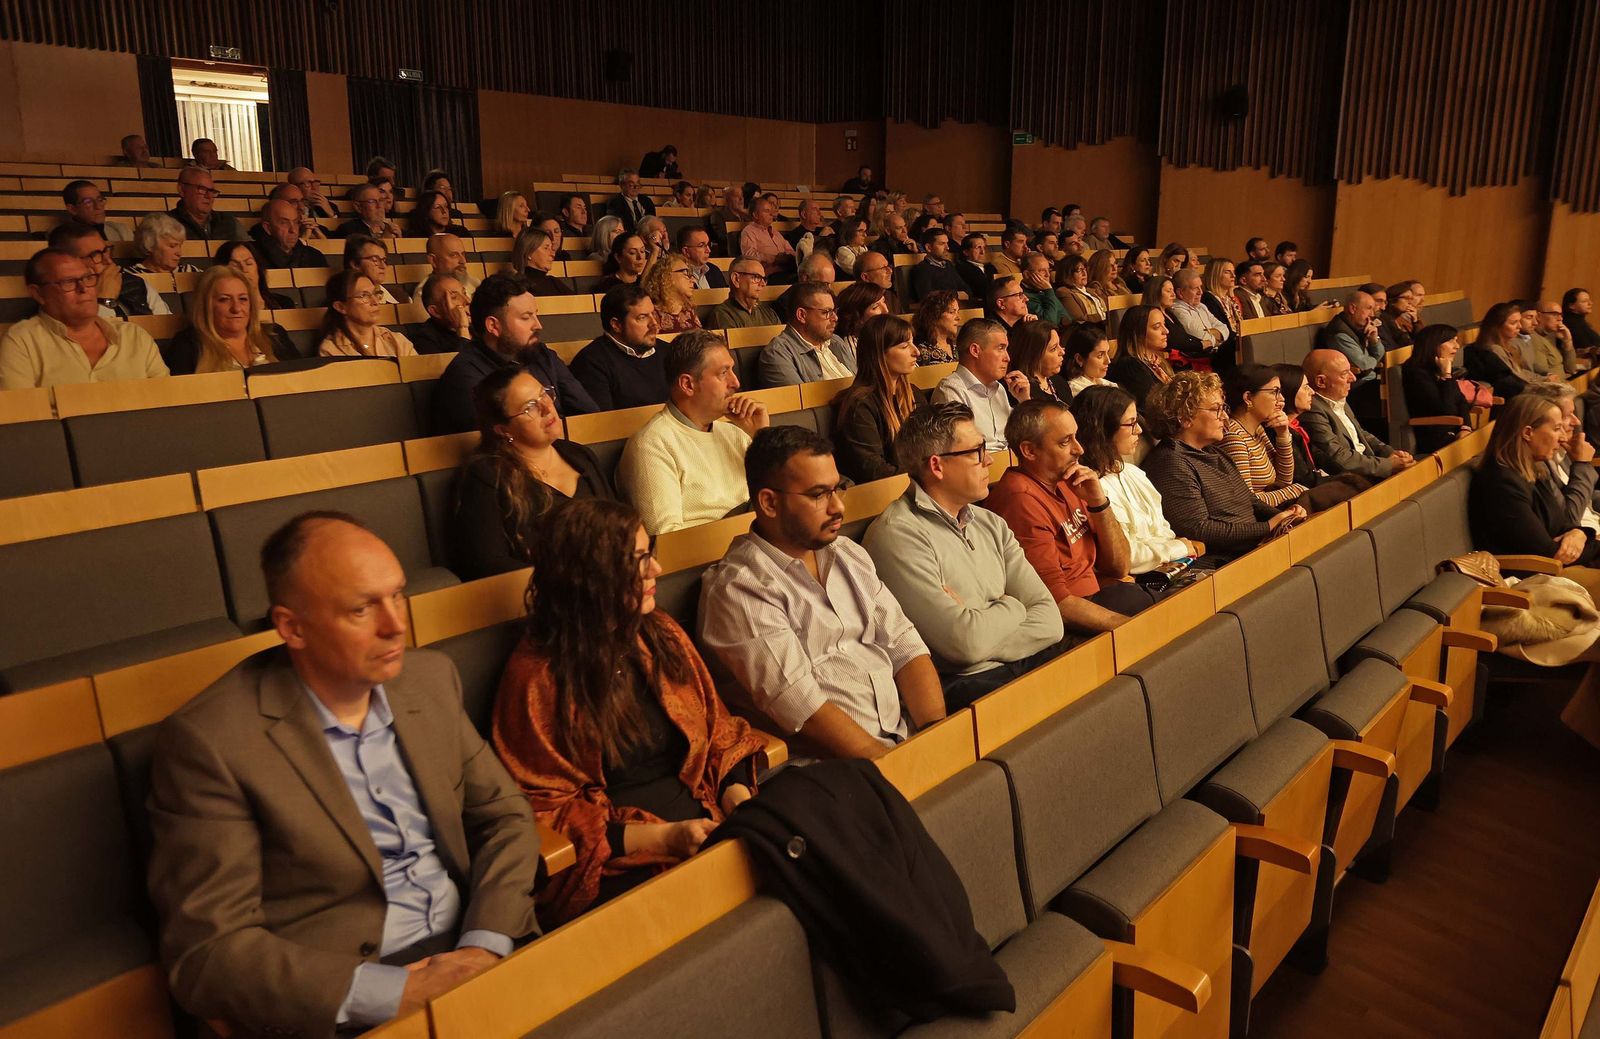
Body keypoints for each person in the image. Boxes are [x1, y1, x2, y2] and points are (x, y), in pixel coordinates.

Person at [146, 513, 540, 1037]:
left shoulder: (428, 680)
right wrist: (395, 993)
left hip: (480, 944)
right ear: (292, 627)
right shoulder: (211, 743)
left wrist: (483, 943)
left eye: (397, 596)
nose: (395, 624)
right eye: (361, 608)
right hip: (348, 997)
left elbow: (505, 818)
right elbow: (210, 953)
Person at [698, 423, 946, 760]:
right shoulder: (740, 588)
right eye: (818, 495)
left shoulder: (847, 553)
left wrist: (939, 738)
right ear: (769, 503)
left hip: (904, 740)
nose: (838, 507)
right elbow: (802, 706)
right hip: (832, 769)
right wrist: (895, 768)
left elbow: (905, 648)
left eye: (837, 488)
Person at [863, 401, 1064, 708]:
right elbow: (964, 645)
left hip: (1023, 662)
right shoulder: (897, 535)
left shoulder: (990, 523)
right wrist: (1013, 605)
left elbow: (1050, 620)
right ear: (937, 465)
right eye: (977, 452)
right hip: (969, 686)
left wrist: (982, 623)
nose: (990, 462)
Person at [987, 398, 1155, 636]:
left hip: (1101, 598)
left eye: (1076, 437)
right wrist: (1137, 630)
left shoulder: (1069, 480)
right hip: (1073, 625)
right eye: (1065, 442)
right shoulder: (1020, 500)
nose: (1080, 449)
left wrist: (1099, 503)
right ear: (1029, 451)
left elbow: (1119, 566)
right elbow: (1056, 604)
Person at [448, 367, 615, 579]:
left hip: (612, 580)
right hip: (547, 593)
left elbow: (618, 522)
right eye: (530, 407)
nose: (547, 407)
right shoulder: (485, 477)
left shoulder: (580, 455)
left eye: (544, 394)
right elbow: (488, 564)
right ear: (502, 429)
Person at [617, 330, 769, 534]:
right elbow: (667, 541)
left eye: (732, 371)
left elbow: (780, 502)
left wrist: (761, 438)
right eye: (723, 373)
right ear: (688, 384)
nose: (736, 383)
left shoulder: (737, 433)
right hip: (714, 559)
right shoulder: (651, 445)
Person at [1142, 372, 1306, 561]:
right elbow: (1199, 529)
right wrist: (1268, 526)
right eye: (1216, 409)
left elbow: (1250, 501)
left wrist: (1285, 516)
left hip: (1255, 548)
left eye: (1223, 408)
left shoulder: (1215, 453)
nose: (1225, 417)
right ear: (1185, 417)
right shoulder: (1170, 462)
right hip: (1224, 562)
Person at [433, 273, 595, 433]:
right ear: (493, 326)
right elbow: (496, 443)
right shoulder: (465, 375)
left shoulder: (541, 354)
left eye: (535, 315)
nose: (538, 325)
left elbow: (589, 413)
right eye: (526, 317)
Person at [1469, 394, 1600, 591]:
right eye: (1556, 429)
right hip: (1531, 579)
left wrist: (1579, 533)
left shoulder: (1535, 468)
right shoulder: (1500, 480)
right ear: (1528, 432)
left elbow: (1563, 522)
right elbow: (1548, 554)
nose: (1563, 437)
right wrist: (1591, 542)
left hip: (1557, 569)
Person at [1072, 385, 1206, 573]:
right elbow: (1128, 556)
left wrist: (1172, 549)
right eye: (1131, 423)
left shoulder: (1133, 473)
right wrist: (1177, 548)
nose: (1140, 431)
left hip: (1172, 568)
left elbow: (1164, 531)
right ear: (1103, 428)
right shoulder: (1091, 487)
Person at [1, 248, 168, 388]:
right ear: (38, 293)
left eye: (88, 278)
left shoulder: (135, 336)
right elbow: (26, 419)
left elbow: (166, 401)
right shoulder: (22, 342)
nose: (84, 288)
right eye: (68, 282)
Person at [1300, 348, 1415, 479]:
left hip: (1370, 466)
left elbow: (1360, 433)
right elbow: (1338, 457)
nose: (1353, 378)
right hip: (1352, 478)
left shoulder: (1337, 397)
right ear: (1321, 381)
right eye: (1344, 374)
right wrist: (1388, 465)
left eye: (1351, 370)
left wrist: (1391, 453)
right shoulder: (1312, 409)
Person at [833, 314, 921, 483]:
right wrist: (924, 476)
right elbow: (874, 470)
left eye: (913, 343)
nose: (916, 352)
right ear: (880, 354)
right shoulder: (859, 405)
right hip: (886, 493)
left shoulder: (913, 393)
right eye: (904, 346)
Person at [164, 264, 283, 375]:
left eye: (243, 299)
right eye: (224, 299)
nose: (236, 308)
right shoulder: (186, 346)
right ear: (206, 306)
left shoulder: (276, 335)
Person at [1218, 364, 1308, 510]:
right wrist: (1296, 490)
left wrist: (1283, 435)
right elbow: (1247, 501)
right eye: (1275, 392)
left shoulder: (1258, 428)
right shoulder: (1233, 437)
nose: (1282, 399)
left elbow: (1284, 481)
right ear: (1248, 398)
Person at [934, 318, 1031, 452]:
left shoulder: (999, 388)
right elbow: (961, 452)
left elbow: (1024, 437)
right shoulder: (951, 391)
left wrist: (1024, 402)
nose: (1007, 358)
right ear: (975, 350)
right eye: (1000, 348)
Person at [571, 284, 668, 410]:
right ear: (616, 325)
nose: (654, 323)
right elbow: (602, 423)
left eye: (653, 314)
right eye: (642, 317)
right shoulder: (590, 363)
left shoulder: (668, 351)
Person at [47, 221, 161, 319]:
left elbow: (163, 329)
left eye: (106, 251)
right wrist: (105, 301)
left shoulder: (137, 284)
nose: (109, 261)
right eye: (96, 255)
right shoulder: (59, 301)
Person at [759, 284, 855, 386]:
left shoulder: (836, 341)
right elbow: (802, 399)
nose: (835, 318)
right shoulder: (777, 354)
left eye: (834, 311)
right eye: (826, 312)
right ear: (801, 315)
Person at [1400, 323, 1474, 454]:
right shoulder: (1415, 372)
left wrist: (1466, 428)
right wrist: (1447, 375)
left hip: (1453, 430)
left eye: (1456, 341)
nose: (1457, 346)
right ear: (1433, 344)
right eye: (1451, 341)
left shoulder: (1436, 368)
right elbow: (1445, 410)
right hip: (1434, 437)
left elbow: (1461, 401)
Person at [317, 270, 416, 358]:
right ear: (340, 307)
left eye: (375, 293)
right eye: (364, 295)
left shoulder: (397, 341)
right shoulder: (331, 350)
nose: (375, 302)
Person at [1107, 304, 1174, 412]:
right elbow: (1152, 407)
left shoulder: (1156, 361)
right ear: (1137, 333)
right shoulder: (1129, 366)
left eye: (1164, 324)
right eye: (1157, 327)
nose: (1166, 331)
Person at [1465, 300, 1537, 398]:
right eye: (1513, 323)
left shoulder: (1507, 347)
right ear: (1497, 326)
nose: (1519, 326)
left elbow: (1521, 373)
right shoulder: (1491, 351)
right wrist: (1542, 388)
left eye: (1519, 322)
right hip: (1511, 399)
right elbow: (1511, 382)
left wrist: (1545, 380)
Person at [249, 198, 329, 271]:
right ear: (268, 228)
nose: (293, 230)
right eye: (284, 223)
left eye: (296, 222)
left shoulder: (314, 256)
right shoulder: (251, 257)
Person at [214, 239, 294, 310]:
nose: (244, 269)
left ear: (258, 268)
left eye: (249, 263)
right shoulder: (228, 310)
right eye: (235, 265)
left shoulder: (284, 303)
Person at [168, 166, 241, 242]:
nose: (209, 196)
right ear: (182, 190)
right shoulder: (167, 223)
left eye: (212, 191)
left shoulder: (228, 221)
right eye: (202, 189)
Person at [407, 272, 473, 355]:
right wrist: (462, 328)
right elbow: (464, 366)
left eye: (464, 293)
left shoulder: (478, 327)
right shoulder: (425, 340)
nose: (468, 301)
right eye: (454, 297)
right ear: (435, 311)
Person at [707, 259, 780, 329]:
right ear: (736, 279)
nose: (763, 284)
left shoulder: (769, 314)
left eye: (764, 279)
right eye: (756, 277)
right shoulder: (722, 315)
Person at [1010, 319, 1071, 403]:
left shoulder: (1060, 382)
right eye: (1053, 349)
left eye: (1059, 345)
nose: (1062, 352)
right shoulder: (1020, 389)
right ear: (1034, 355)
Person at [739, 195, 797, 282]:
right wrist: (773, 258)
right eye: (767, 211)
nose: (772, 214)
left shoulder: (775, 232)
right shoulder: (749, 231)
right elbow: (748, 255)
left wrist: (789, 256)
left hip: (787, 269)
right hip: (768, 275)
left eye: (771, 211)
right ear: (755, 215)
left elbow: (790, 249)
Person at [641, 252, 701, 334]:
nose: (693, 280)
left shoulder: (689, 312)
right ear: (666, 276)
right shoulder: (651, 314)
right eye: (686, 274)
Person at [907, 227, 966, 304]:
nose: (947, 247)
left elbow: (966, 290)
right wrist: (957, 294)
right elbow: (927, 297)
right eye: (942, 244)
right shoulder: (922, 269)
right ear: (928, 247)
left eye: (947, 243)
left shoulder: (948, 265)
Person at [61, 179, 132, 243]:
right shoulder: (65, 238)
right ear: (72, 209)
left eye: (100, 200)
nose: (98, 206)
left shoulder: (121, 231)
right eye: (88, 202)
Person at [343, 235, 408, 304]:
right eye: (375, 260)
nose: (383, 266)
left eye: (384, 260)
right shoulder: (345, 300)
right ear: (355, 264)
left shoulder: (401, 297)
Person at [833, 280, 890, 358]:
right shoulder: (852, 345)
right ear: (857, 316)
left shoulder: (881, 335)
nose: (886, 310)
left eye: (883, 301)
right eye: (875, 307)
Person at [509, 225, 570, 297]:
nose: (553, 254)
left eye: (552, 248)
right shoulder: (515, 287)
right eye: (546, 248)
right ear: (529, 252)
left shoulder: (554, 282)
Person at [1063, 323, 1116, 397]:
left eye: (1108, 353)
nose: (1108, 361)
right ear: (1079, 359)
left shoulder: (1109, 385)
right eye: (1100, 355)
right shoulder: (1077, 391)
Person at [913, 289, 961, 365]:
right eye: (952, 312)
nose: (958, 318)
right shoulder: (921, 351)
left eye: (958, 312)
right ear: (935, 315)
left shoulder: (958, 345)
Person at [1056, 254, 1107, 325]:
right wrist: (1106, 316)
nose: (1084, 273)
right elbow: (1079, 319)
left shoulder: (1091, 290)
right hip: (1088, 331)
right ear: (1068, 274)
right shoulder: (1064, 292)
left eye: (1085, 269)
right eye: (1079, 270)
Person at [336, 183, 400, 239]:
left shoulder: (392, 229)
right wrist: (385, 240)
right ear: (358, 207)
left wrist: (400, 240)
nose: (379, 206)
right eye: (372, 201)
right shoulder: (349, 230)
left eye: (381, 200)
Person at [1020, 251, 1067, 326]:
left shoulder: (1044, 290)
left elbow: (1067, 319)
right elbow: (1050, 324)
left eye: (1048, 270)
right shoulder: (1023, 297)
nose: (1048, 275)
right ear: (1027, 274)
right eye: (1042, 271)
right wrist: (1048, 291)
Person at [604, 168, 656, 232]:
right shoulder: (615, 203)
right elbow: (617, 227)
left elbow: (653, 222)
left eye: (637, 183)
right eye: (631, 184)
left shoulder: (647, 201)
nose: (636, 187)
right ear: (622, 185)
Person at [854, 249, 902, 313]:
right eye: (883, 268)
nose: (890, 271)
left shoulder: (891, 297)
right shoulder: (855, 303)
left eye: (888, 266)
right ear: (865, 277)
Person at [1564, 288, 1600, 354]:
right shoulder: (1572, 324)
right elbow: (1588, 349)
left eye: (1589, 300)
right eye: (1584, 301)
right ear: (1571, 305)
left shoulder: (1580, 322)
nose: (1590, 303)